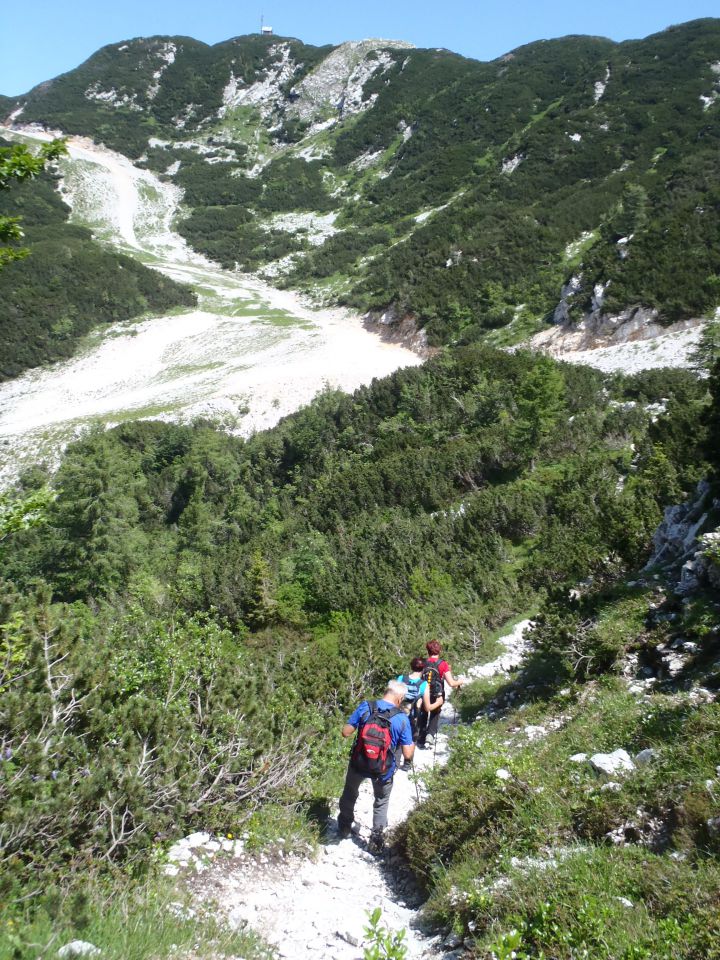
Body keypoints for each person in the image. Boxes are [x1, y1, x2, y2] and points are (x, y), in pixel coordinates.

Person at [337, 680, 415, 852]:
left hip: (359, 762)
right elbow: (408, 754)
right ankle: (376, 840)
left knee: (350, 793)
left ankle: (344, 826)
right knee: (381, 800)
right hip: (383, 769)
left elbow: (345, 732)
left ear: (386, 691)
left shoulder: (366, 706)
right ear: (400, 698)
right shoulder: (401, 718)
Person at [417, 640, 463, 749]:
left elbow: (418, 678)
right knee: (435, 713)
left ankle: (420, 738)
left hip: (424, 692)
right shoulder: (443, 664)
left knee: (423, 713)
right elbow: (451, 683)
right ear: (439, 650)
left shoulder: (423, 662)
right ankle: (430, 736)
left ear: (427, 650)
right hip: (437, 693)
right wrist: (460, 682)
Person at [396, 657, 430, 745]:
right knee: (408, 744)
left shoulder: (401, 678)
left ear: (411, 667)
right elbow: (427, 708)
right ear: (423, 669)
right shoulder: (424, 684)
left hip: (395, 715)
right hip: (411, 721)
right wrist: (439, 702)